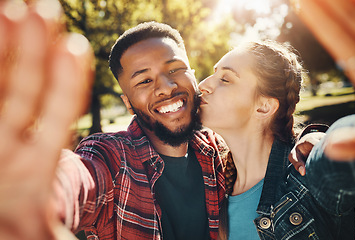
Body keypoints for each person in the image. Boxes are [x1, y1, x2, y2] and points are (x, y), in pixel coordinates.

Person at [0, 1, 229, 239]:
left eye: (174, 69)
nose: (166, 87)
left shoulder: (217, 150)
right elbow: (82, 176)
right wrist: (49, 194)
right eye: (144, 81)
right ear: (128, 103)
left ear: (193, 76)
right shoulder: (112, 157)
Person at [198, 40, 355, 239]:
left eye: (225, 79)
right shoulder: (215, 187)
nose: (203, 85)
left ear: (264, 107)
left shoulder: (305, 174)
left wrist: (328, 143)